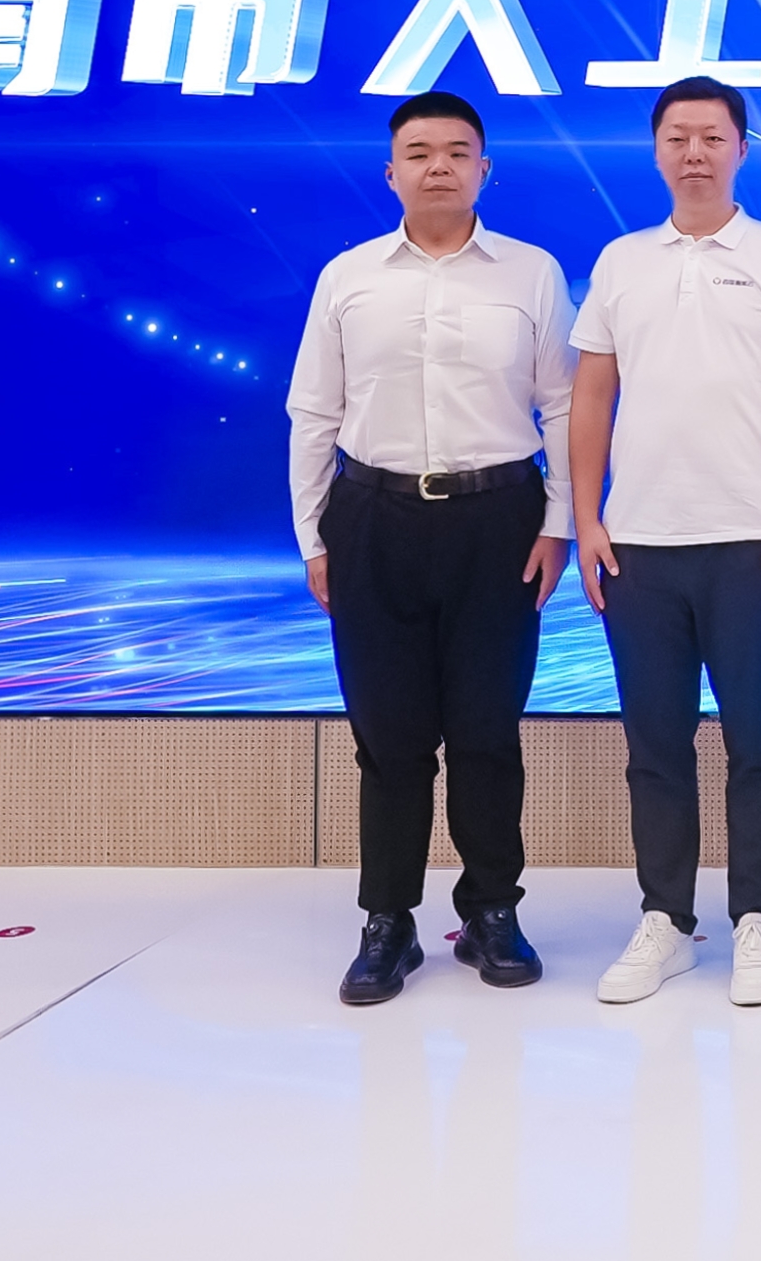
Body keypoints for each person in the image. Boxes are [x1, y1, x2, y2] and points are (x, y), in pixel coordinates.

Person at [284, 90, 573, 1005]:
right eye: (419, 152)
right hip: (373, 518)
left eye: (457, 151)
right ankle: (388, 921)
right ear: (391, 172)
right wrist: (313, 536)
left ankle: (491, 910)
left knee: (487, 730)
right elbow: (313, 412)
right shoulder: (348, 277)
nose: (438, 166)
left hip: (499, 519)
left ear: (485, 169)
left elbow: (563, 406)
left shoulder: (531, 273)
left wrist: (560, 521)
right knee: (388, 735)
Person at [566, 76, 761, 1009]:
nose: (695, 153)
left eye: (713, 137)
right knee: (655, 744)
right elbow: (592, 393)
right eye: (678, 137)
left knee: (758, 741)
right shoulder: (621, 262)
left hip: (750, 543)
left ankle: (756, 918)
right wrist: (586, 518)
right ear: (656, 152)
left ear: (741, 151)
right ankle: (666, 920)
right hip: (638, 543)